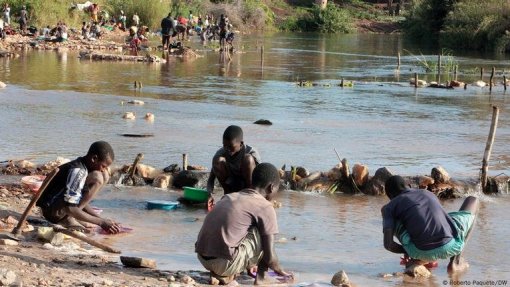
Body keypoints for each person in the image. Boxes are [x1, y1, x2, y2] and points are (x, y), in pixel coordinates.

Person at [196, 163, 292, 285]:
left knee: (246, 226)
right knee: (264, 233)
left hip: (203, 258)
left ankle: (222, 273)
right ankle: (261, 278)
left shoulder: (229, 197)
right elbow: (270, 257)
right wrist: (282, 272)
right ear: (272, 187)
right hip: (223, 263)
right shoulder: (265, 206)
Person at [382, 175, 479, 273]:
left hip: (418, 251)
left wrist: (407, 251)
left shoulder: (389, 207)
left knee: (393, 217)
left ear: (390, 196)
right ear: (410, 186)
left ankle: (415, 259)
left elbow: (388, 245)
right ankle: (455, 261)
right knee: (473, 200)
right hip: (450, 247)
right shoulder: (427, 193)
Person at [36, 141, 120, 234]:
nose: (102, 169)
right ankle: (68, 218)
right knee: (98, 177)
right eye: (103, 166)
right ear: (94, 158)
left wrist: (101, 219)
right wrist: (101, 222)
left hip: (62, 206)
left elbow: (78, 199)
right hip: (52, 212)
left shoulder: (83, 167)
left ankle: (74, 216)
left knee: (104, 175)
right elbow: (70, 208)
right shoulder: (78, 171)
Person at [207, 125, 260, 200]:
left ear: (241, 144)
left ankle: (249, 197)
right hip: (231, 185)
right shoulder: (221, 153)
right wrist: (209, 194)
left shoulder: (251, 152)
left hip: (248, 186)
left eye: (231, 147)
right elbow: (211, 178)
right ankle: (227, 195)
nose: (227, 149)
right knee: (217, 160)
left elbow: (261, 179)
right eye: (224, 146)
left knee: (248, 159)